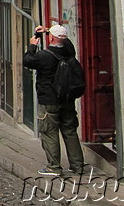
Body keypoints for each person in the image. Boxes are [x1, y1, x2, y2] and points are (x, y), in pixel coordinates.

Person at [23, 23, 85, 177]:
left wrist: (32, 45)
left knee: (49, 132)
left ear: (51, 37)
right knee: (70, 131)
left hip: (49, 99)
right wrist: (49, 30)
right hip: (66, 99)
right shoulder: (68, 52)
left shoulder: (44, 56)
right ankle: (78, 166)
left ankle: (54, 167)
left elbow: (28, 61)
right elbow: (67, 44)